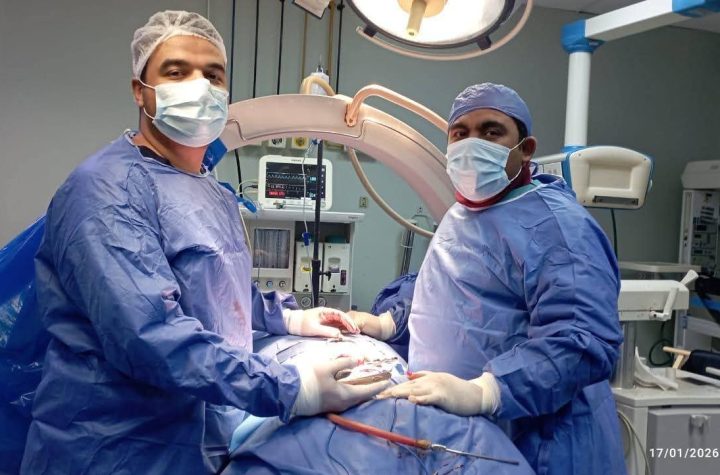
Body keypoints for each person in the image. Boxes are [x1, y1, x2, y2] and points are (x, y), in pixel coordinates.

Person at [20, 11, 386, 475]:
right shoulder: (106, 192)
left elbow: (214, 290)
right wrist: (293, 388)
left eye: (213, 75)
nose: (199, 86)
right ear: (140, 90)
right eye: (176, 72)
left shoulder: (209, 189)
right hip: (114, 446)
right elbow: (150, 336)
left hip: (195, 435)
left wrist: (289, 318)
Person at [353, 83, 626, 475]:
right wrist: (386, 322)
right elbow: (452, 292)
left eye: (491, 132)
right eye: (460, 133)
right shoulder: (465, 213)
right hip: (462, 437)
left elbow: (580, 341)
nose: (472, 144)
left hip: (539, 443)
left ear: (525, 149)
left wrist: (485, 391)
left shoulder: (560, 229)